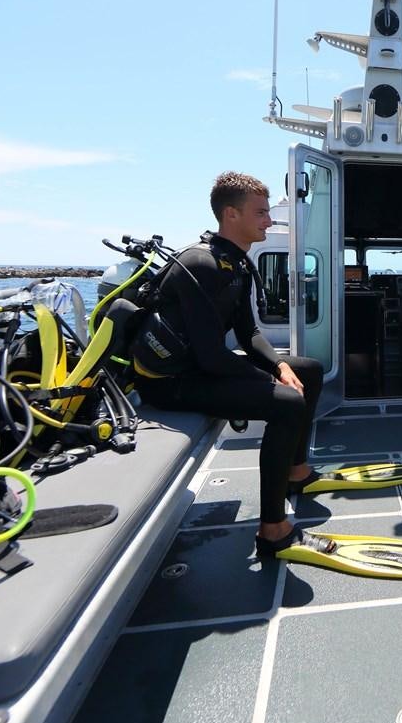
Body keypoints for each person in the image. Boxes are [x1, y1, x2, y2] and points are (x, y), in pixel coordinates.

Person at [129, 172, 323, 555]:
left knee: (309, 371)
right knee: (287, 404)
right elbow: (212, 358)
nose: (269, 220)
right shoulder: (201, 264)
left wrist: (281, 368)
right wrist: (273, 385)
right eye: (261, 213)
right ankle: (273, 530)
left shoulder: (234, 263)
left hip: (200, 366)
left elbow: (249, 334)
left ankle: (296, 472)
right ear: (231, 214)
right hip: (170, 381)